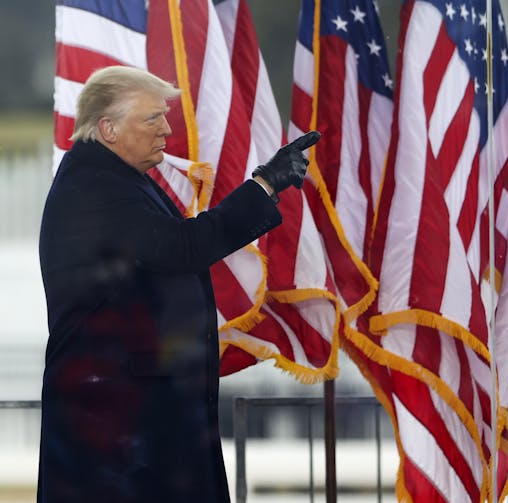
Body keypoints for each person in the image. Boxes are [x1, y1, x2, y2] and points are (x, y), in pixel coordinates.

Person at [37, 66, 320, 502]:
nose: (167, 129)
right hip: (115, 430)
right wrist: (264, 184)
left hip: (136, 421)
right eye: (152, 118)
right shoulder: (94, 188)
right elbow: (184, 246)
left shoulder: (117, 180)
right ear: (108, 128)